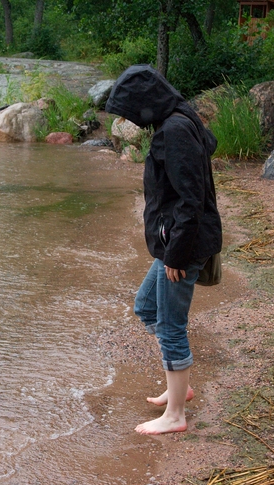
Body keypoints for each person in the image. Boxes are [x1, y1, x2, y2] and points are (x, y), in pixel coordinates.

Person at [105, 65, 222, 435]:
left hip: (183, 246)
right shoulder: (178, 120)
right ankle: (179, 387)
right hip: (177, 241)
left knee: (171, 327)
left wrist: (176, 254)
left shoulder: (174, 131)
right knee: (146, 306)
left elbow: (192, 199)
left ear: (147, 101)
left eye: (129, 110)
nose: (128, 119)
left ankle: (175, 416)